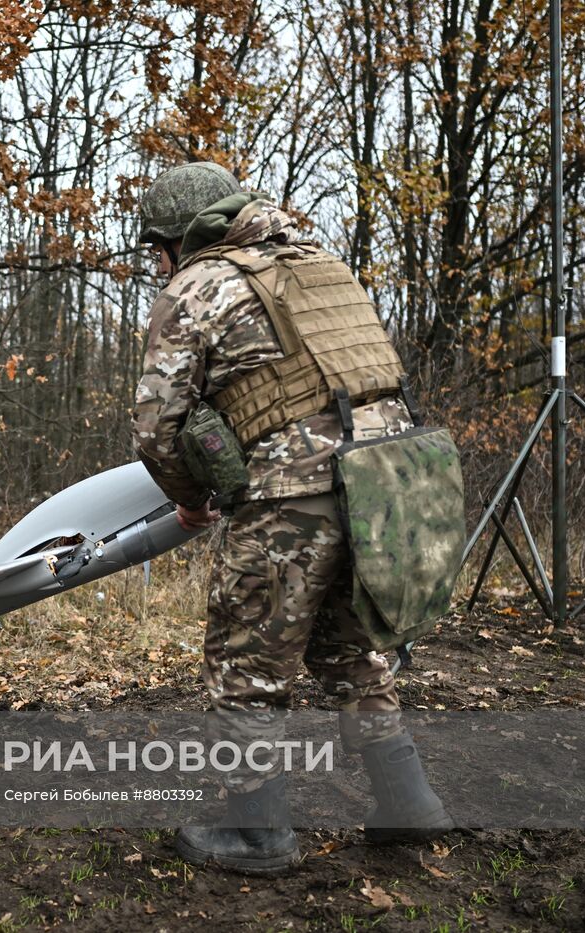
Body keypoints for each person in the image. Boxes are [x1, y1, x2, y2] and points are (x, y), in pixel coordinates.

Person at [132, 162, 454, 874]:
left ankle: (257, 833)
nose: (157, 263)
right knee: (349, 643)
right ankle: (410, 803)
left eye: (158, 248)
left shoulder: (196, 285)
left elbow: (156, 426)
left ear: (185, 237)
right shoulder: (324, 264)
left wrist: (191, 497)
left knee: (247, 664)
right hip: (389, 481)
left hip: (293, 493)